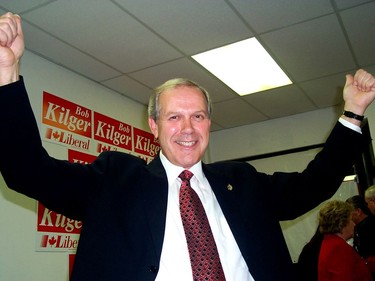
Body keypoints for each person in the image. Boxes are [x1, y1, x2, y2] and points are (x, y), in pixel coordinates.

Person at [1, 12, 375, 281]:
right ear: (154, 126)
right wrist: (7, 75)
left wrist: (353, 113)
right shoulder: (115, 179)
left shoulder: (241, 181)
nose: (187, 128)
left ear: (209, 124)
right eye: (174, 117)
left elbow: (313, 184)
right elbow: (28, 172)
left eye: (198, 116)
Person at [318, 200, 373, 281]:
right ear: (342, 223)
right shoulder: (338, 248)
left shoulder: (329, 242)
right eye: (351, 220)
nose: (354, 224)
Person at [346, 195, 375, 278]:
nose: (347, 217)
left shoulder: (365, 228)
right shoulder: (360, 227)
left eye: (348, 213)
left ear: (358, 211)